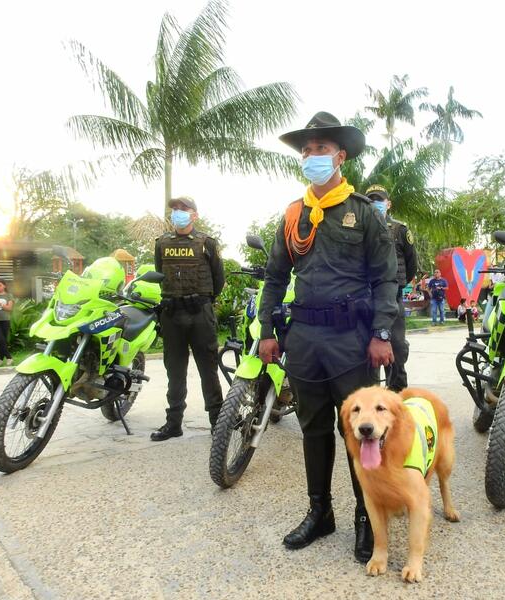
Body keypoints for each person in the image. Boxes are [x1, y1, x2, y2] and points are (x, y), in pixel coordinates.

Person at [257, 111, 397, 563]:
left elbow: (386, 279)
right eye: (306, 150)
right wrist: (267, 330)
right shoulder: (294, 215)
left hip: (351, 339)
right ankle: (321, 514)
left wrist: (381, 332)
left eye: (321, 149)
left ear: (340, 156)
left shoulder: (363, 214)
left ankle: (364, 517)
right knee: (313, 429)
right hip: (305, 338)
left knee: (361, 434)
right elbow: (275, 277)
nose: (312, 156)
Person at [151, 196, 225, 441]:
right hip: (172, 314)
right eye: (175, 209)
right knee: (175, 371)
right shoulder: (161, 243)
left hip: (199, 313)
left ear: (195, 215)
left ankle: (217, 423)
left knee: (208, 369)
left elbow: (218, 279)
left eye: (184, 208)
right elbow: (160, 273)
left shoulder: (207, 243)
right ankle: (173, 424)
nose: (178, 212)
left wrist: (203, 300)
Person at [366, 184, 417, 392]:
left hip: (392, 298)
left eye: (379, 199)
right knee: (366, 350)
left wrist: (396, 284)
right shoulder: (361, 229)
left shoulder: (399, 230)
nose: (375, 203)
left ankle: (397, 393)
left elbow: (411, 264)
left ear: (388, 203)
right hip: (365, 297)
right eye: (371, 199)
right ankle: (370, 395)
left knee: (395, 345)